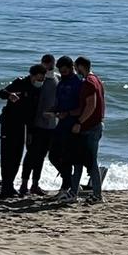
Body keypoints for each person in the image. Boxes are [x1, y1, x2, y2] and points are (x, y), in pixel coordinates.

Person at [0, 64, 47, 198]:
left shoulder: (37, 89)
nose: (40, 82)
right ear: (32, 75)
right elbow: (1, 93)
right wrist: (9, 95)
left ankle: (10, 186)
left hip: (23, 126)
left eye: (42, 79)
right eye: (39, 79)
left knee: (17, 155)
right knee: (7, 155)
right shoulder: (19, 83)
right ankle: (5, 187)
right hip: (9, 123)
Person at [68, 56, 106, 203]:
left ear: (80, 67)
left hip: (89, 127)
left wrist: (79, 122)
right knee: (82, 161)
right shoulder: (97, 80)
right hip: (95, 125)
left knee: (88, 162)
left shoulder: (88, 83)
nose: (75, 71)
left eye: (75, 67)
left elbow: (91, 105)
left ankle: (96, 194)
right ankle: (75, 192)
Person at [20, 54, 59, 195]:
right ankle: (24, 183)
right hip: (35, 124)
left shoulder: (56, 79)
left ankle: (35, 184)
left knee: (41, 156)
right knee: (31, 154)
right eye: (46, 63)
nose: (48, 66)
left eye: (50, 63)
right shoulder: (37, 80)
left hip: (50, 125)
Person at [49, 56, 83, 196]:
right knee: (53, 155)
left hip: (72, 123)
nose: (62, 73)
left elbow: (82, 106)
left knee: (66, 156)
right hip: (61, 123)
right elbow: (59, 101)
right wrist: (54, 110)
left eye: (65, 71)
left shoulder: (78, 82)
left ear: (71, 68)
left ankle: (66, 185)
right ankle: (69, 181)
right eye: (60, 71)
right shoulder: (62, 82)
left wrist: (68, 114)